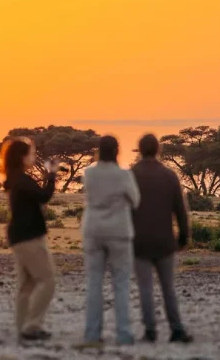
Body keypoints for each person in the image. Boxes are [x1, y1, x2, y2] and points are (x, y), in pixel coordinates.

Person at [130, 134, 194, 343]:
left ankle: (150, 332)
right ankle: (176, 329)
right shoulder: (170, 175)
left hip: (138, 242)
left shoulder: (131, 175)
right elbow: (180, 211)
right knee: (168, 288)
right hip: (165, 241)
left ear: (139, 150)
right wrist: (184, 237)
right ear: (159, 149)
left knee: (145, 289)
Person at [80, 135, 140, 345]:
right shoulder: (124, 175)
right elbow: (135, 200)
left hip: (93, 229)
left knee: (94, 283)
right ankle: (123, 333)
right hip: (119, 231)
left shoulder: (89, 173)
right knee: (121, 283)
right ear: (117, 151)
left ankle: (92, 334)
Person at [1, 137, 59, 341]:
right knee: (47, 280)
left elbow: (37, 197)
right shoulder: (22, 180)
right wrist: (51, 175)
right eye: (31, 153)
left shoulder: (14, 178)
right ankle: (32, 326)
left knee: (26, 284)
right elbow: (44, 196)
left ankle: (22, 326)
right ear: (22, 157)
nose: (34, 157)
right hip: (30, 236)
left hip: (18, 236)